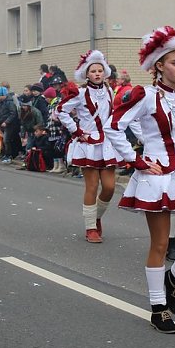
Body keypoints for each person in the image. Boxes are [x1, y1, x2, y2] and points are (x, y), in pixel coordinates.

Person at [104, 26, 175, 333]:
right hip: (156, 177)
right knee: (161, 243)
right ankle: (158, 308)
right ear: (159, 66)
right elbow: (114, 126)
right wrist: (136, 160)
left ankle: (174, 279)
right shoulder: (146, 96)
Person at [56, 50, 120, 242]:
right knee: (92, 186)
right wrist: (77, 131)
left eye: (100, 70)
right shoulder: (81, 93)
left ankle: (96, 216)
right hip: (88, 143)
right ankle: (91, 227)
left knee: (109, 187)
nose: (97, 74)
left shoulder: (109, 91)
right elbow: (61, 111)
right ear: (87, 74)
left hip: (107, 143)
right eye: (93, 71)